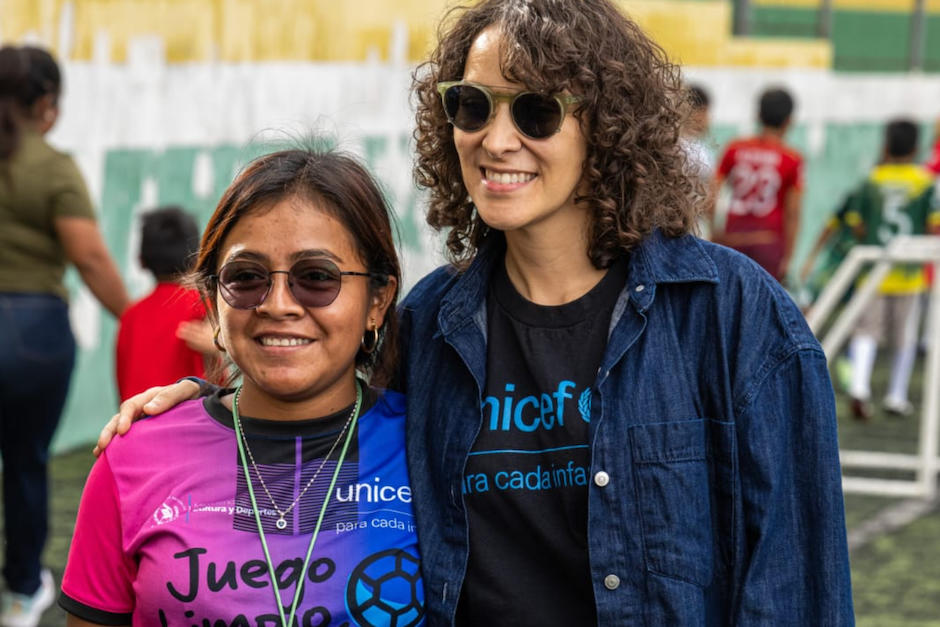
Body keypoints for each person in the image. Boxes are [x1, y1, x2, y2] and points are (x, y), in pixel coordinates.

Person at [101, 0, 853, 623]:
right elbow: (314, 393)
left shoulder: (734, 319)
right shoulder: (429, 325)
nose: (497, 139)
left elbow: (801, 590)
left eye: (535, 111)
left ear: (608, 125)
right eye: (471, 105)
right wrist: (203, 401)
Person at [60, 148, 425, 626]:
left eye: (316, 277)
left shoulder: (429, 446)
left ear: (378, 301)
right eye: (246, 277)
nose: (277, 304)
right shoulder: (132, 458)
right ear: (212, 301)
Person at [0, 44, 129, 627]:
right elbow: (92, 261)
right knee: (28, 463)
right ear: (46, 106)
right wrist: (136, 314)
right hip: (33, 335)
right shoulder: (51, 168)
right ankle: (23, 590)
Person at [841, 120, 940, 420]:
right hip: (909, 272)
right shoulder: (924, 181)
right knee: (904, 338)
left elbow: (855, 221)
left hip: (873, 268)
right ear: (915, 147)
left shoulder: (872, 179)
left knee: (866, 331)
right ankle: (896, 395)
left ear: (885, 145)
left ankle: (860, 387)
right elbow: (934, 224)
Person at [116, 206, 216, 401]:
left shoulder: (131, 316)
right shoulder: (204, 308)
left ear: (141, 261)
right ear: (197, 258)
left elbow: (124, 388)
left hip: (139, 424)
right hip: (191, 425)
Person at [713, 87, 803, 283]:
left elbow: (711, 195)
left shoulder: (734, 149)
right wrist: (789, 257)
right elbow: (793, 212)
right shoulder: (791, 158)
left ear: (758, 115)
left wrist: (713, 232)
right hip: (768, 244)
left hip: (732, 241)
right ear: (789, 121)